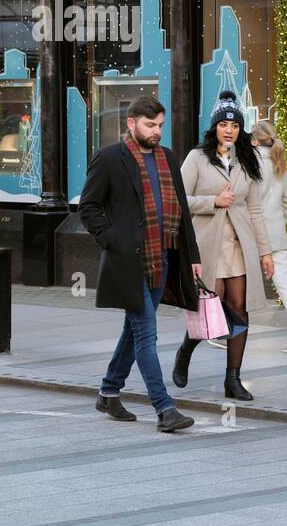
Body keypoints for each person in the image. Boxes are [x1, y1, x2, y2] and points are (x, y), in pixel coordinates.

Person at [78, 96, 199, 432]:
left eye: (160, 125)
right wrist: (112, 240)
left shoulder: (169, 158)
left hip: (163, 258)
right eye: (150, 125)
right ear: (131, 124)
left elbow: (182, 212)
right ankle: (165, 408)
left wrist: (194, 259)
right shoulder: (110, 158)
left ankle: (108, 391)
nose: (156, 131)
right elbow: (88, 207)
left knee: (133, 332)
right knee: (146, 332)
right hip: (129, 262)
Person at [173, 92, 275, 401]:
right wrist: (212, 202)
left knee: (238, 312)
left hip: (239, 248)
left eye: (234, 124)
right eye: (223, 124)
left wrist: (265, 251)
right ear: (214, 127)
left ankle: (233, 379)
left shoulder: (248, 160)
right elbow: (178, 200)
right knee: (208, 313)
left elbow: (254, 210)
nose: (229, 130)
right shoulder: (197, 158)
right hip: (208, 247)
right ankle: (185, 350)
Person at [252, 120, 287, 353]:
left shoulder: (248, 164)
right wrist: (277, 223)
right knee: (285, 284)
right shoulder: (279, 165)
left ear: (255, 141)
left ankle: (224, 332)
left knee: (239, 281)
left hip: (251, 233)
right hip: (276, 234)